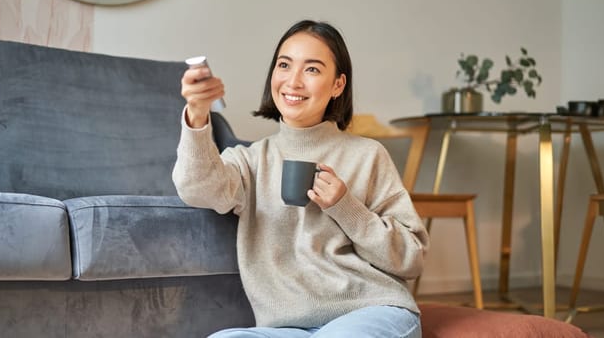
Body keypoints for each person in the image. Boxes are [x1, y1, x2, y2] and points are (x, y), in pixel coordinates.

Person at [173, 20, 429, 338]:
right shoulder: (249, 160)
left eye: (312, 69)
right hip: (288, 329)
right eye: (284, 65)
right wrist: (197, 114)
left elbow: (412, 259)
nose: (293, 81)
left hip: (371, 311)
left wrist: (346, 207)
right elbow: (196, 189)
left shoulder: (368, 155)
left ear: (338, 85)